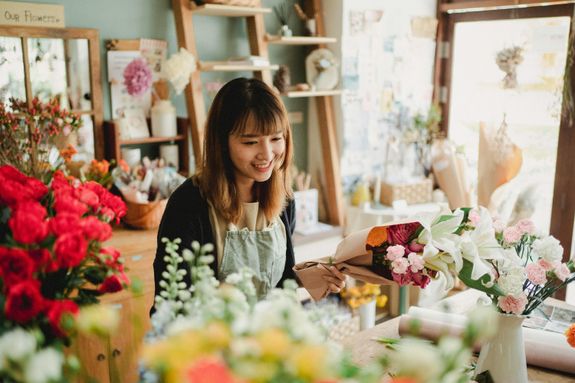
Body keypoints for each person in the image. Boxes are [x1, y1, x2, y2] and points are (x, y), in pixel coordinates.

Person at [153, 77, 345, 307]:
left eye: (276, 138)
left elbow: (275, 283)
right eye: (251, 142)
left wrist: (310, 275)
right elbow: (170, 305)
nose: (267, 153)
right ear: (222, 142)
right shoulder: (189, 204)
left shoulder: (284, 198)